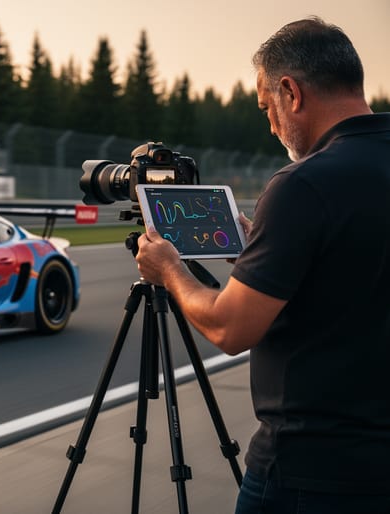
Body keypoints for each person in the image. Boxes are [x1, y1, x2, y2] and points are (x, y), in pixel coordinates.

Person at [135, 17, 390, 513]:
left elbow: (230, 328)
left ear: (291, 92)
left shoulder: (302, 184)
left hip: (309, 474)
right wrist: (262, 248)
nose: (270, 123)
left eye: (266, 106)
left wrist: (168, 269)